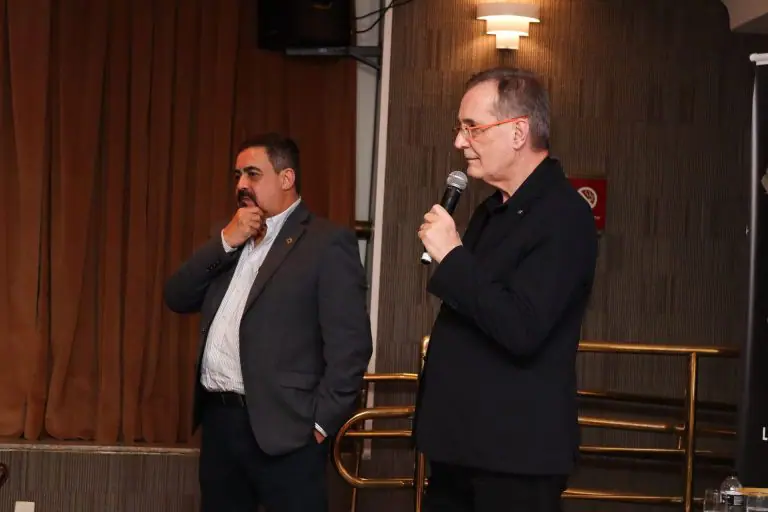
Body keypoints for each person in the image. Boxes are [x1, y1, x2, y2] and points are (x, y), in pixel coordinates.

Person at [414, 67, 599, 511]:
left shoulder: (564, 215)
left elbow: (522, 326)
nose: (460, 142)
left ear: (518, 132)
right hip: (461, 447)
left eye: (472, 128)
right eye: (459, 128)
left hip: (515, 455)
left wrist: (453, 255)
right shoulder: (490, 211)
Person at [164, 133, 372, 512]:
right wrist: (226, 241)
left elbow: (351, 347)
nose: (241, 185)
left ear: (286, 178)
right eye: (238, 175)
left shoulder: (326, 243)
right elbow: (177, 296)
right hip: (221, 425)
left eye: (253, 174)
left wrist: (320, 425)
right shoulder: (229, 238)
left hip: (288, 431)